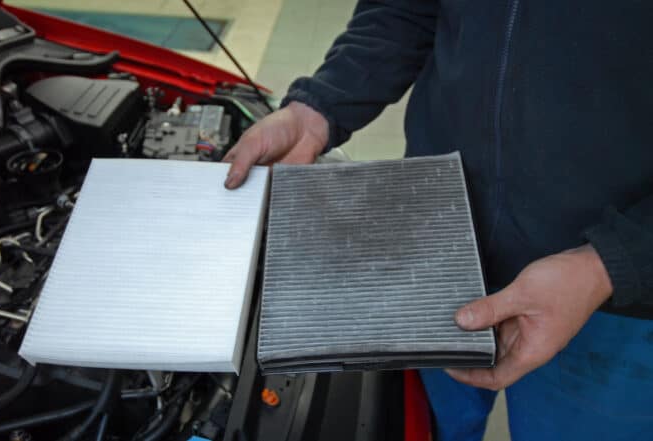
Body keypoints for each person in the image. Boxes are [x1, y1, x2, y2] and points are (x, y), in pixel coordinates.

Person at [223, 1, 653, 439]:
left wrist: (610, 264)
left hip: (614, 302)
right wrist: (317, 110)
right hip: (436, 251)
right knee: (427, 426)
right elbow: (403, 9)